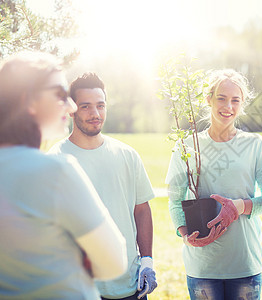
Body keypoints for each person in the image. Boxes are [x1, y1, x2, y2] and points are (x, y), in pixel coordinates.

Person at [0, 52, 127, 299]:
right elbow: (114, 263)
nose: (70, 107)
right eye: (60, 94)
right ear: (28, 100)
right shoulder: (57, 171)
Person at [48, 72, 157, 300]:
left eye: (100, 105)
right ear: (71, 109)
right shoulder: (54, 160)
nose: (95, 114)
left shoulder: (127, 155)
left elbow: (141, 209)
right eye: (86, 106)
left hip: (130, 286)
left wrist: (147, 260)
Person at [166, 69, 262, 299]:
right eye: (221, 98)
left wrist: (239, 207)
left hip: (244, 264)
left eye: (235, 100)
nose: (228, 107)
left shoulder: (256, 145)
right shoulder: (186, 147)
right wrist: (185, 234)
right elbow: (175, 199)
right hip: (202, 266)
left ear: (242, 104)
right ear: (208, 99)